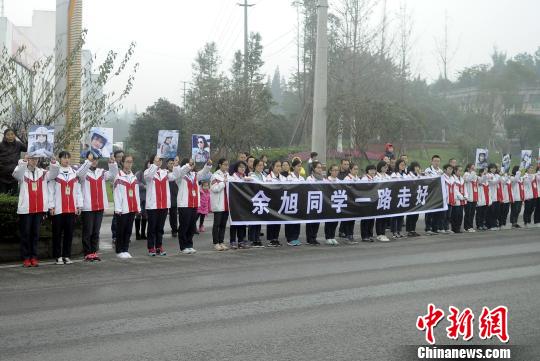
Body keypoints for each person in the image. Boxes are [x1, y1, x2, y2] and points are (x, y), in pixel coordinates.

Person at [12, 154, 59, 267]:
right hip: (26, 209)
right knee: (26, 234)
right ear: (28, 159)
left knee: (35, 234)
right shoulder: (22, 172)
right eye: (32, 159)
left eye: (36, 159)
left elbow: (53, 174)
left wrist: (53, 162)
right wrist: (23, 161)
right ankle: (26, 258)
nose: (34, 161)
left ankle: (34, 256)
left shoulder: (42, 172)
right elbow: (16, 174)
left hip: (39, 209)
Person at [77, 151, 118, 261]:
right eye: (92, 159)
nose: (94, 161)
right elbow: (79, 174)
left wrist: (112, 163)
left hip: (99, 206)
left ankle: (94, 252)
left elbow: (114, 175)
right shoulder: (84, 171)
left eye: (96, 159)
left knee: (96, 231)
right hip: (88, 207)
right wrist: (88, 162)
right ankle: (87, 252)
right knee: (88, 231)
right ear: (88, 160)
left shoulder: (102, 172)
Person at [48, 151, 83, 265]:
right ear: (60, 159)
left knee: (69, 233)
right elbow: (51, 191)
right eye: (64, 158)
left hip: (71, 209)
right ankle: (58, 256)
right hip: (58, 209)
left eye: (68, 158)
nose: (66, 160)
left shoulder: (74, 173)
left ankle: (66, 255)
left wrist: (78, 205)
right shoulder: (55, 172)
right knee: (57, 234)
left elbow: (78, 191)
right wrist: (51, 206)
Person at [174, 158, 212, 254]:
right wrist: (188, 165)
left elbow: (203, 172)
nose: (192, 165)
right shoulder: (180, 176)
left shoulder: (195, 175)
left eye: (192, 163)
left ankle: (189, 245)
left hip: (194, 203)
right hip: (184, 204)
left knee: (192, 226)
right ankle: (183, 246)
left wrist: (207, 164)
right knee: (184, 225)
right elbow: (181, 171)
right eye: (190, 163)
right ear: (185, 164)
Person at [144, 154, 177, 257]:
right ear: (152, 161)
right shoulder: (148, 171)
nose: (159, 162)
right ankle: (151, 247)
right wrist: (154, 165)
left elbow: (176, 176)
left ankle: (159, 246)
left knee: (160, 228)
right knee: (152, 227)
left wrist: (176, 165)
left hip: (163, 205)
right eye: (157, 160)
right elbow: (149, 177)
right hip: (153, 205)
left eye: (160, 160)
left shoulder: (165, 172)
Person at [113, 154, 140, 259]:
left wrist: (138, 207)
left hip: (132, 207)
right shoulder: (119, 176)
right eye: (127, 161)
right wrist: (118, 209)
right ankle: (119, 250)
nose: (129, 164)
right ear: (123, 163)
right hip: (122, 208)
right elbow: (116, 194)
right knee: (121, 230)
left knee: (128, 230)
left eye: (131, 162)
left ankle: (125, 249)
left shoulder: (133, 177)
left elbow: (136, 193)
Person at [210, 158, 230, 251]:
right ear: (220, 165)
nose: (226, 166)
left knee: (223, 224)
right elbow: (214, 189)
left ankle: (221, 242)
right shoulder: (215, 176)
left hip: (226, 203)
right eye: (225, 164)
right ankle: (216, 243)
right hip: (218, 203)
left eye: (227, 165)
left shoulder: (228, 175)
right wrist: (223, 183)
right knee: (217, 224)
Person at [284, 158, 304, 246]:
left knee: (297, 220)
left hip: (299, 202)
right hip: (290, 201)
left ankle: (295, 237)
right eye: (298, 166)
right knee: (290, 220)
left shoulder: (302, 178)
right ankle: (289, 238)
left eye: (300, 166)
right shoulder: (289, 177)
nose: (299, 168)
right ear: (293, 167)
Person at [0, 128, 27, 194]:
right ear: (5, 136)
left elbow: (27, 148)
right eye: (8, 135)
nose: (10, 136)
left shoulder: (18, 144)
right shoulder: (0, 145)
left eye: (12, 134)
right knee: (2, 197)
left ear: (14, 135)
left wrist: (24, 137)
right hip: (2, 176)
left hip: (14, 176)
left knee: (13, 196)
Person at [229, 161, 249, 249]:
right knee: (234, 223)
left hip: (244, 203)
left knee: (243, 223)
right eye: (240, 167)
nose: (242, 168)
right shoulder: (232, 177)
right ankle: (233, 241)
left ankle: (241, 240)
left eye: (244, 167)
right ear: (237, 168)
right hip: (234, 203)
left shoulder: (246, 177)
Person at [266, 160, 286, 247]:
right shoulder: (268, 178)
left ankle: (276, 238)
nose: (279, 168)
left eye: (280, 166)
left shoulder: (283, 178)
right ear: (272, 167)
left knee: (278, 221)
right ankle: (271, 239)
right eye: (277, 166)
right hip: (271, 202)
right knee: (271, 221)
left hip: (280, 202)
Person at [305, 161, 325, 245]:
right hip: (311, 201)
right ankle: (309, 238)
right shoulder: (309, 178)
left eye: (321, 167)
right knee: (310, 221)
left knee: (317, 221)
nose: (320, 169)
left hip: (319, 202)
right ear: (313, 169)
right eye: (318, 167)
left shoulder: (323, 179)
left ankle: (314, 237)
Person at [247, 158, 266, 247]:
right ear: (255, 166)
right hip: (253, 200)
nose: (261, 167)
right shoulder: (251, 176)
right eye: (259, 165)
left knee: (259, 220)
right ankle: (252, 238)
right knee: (253, 220)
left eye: (262, 165)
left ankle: (257, 238)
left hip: (262, 200)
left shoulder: (264, 176)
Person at [341, 163, 360, 244]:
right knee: (347, 220)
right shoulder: (347, 178)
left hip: (355, 202)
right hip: (348, 202)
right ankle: (347, 236)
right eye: (354, 169)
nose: (356, 171)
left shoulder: (358, 179)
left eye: (357, 169)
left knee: (352, 220)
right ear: (350, 170)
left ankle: (351, 235)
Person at [424, 155, 443, 235]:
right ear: (432, 161)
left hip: (438, 194)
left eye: (438, 161)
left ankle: (435, 228)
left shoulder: (441, 171)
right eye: (435, 161)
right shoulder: (428, 170)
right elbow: (427, 181)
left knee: (437, 212)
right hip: (430, 194)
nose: (436, 163)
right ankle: (428, 228)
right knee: (429, 212)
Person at [390, 159, 408, 238]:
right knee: (395, 215)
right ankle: (394, 232)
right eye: (401, 164)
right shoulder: (394, 174)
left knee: (401, 214)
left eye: (404, 165)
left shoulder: (405, 174)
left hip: (403, 196)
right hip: (395, 197)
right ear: (397, 165)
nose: (403, 166)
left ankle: (399, 230)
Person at [324, 164, 341, 246]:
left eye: (337, 170)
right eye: (334, 170)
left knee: (335, 221)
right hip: (328, 203)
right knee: (329, 221)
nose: (335, 172)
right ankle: (328, 237)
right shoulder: (326, 180)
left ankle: (332, 236)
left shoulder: (339, 181)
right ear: (330, 171)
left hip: (337, 203)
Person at [111, 150, 125, 242]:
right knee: (117, 214)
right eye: (118, 156)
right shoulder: (114, 167)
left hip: (125, 192)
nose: (120, 158)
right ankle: (115, 235)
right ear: (115, 158)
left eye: (122, 156)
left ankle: (122, 234)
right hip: (117, 192)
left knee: (124, 214)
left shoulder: (125, 167)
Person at [374, 161, 391, 242]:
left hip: (386, 197)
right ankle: (379, 234)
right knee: (379, 217)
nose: (386, 168)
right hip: (379, 198)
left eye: (387, 167)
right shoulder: (376, 176)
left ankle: (383, 233)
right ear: (380, 167)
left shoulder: (388, 176)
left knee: (385, 217)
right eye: (384, 167)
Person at [360, 164, 377, 241]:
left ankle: (370, 234)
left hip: (373, 201)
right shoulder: (364, 179)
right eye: (371, 170)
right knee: (365, 219)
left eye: (374, 170)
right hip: (366, 201)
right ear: (367, 171)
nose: (373, 171)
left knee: (372, 219)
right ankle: (364, 236)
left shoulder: (375, 178)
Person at [405, 162, 422, 237]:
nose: (417, 168)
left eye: (418, 166)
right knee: (411, 214)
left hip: (417, 196)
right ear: (412, 167)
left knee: (416, 215)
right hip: (410, 197)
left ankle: (413, 230)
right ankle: (409, 230)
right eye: (416, 167)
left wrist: (420, 175)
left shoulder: (419, 175)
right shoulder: (409, 175)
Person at [134, 161, 149, 240]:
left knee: (145, 215)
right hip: (140, 197)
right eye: (148, 163)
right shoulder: (140, 173)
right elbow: (136, 182)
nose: (149, 165)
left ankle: (143, 233)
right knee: (138, 214)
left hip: (147, 198)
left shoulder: (151, 174)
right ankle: (137, 233)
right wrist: (143, 186)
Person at [450, 165, 467, 233]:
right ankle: (454, 228)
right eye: (459, 170)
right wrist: (461, 196)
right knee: (455, 215)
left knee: (460, 215)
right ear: (455, 171)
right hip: (456, 199)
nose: (460, 172)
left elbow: (464, 188)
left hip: (462, 199)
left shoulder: (462, 178)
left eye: (461, 170)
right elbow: (455, 189)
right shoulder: (452, 178)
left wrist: (466, 195)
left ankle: (458, 227)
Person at [463, 164, 478, 233]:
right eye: (472, 168)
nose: (473, 169)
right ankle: (466, 227)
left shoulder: (474, 175)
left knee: (472, 213)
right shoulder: (466, 174)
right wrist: (473, 172)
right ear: (468, 168)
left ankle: (470, 226)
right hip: (468, 197)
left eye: (474, 168)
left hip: (474, 196)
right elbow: (468, 179)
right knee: (468, 213)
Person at [486, 163, 501, 231]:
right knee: (491, 211)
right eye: (492, 168)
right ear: (489, 169)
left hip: (497, 195)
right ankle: (490, 225)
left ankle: (495, 224)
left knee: (496, 211)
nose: (493, 169)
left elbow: (503, 181)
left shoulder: (497, 175)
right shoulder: (488, 175)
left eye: (494, 168)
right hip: (490, 195)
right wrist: (499, 179)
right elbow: (492, 183)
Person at [167, 158, 179, 237]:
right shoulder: (165, 172)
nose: (171, 165)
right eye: (170, 163)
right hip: (166, 196)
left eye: (172, 163)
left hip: (175, 196)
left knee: (173, 214)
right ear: (167, 164)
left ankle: (174, 230)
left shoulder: (177, 173)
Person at [441, 164, 455, 234]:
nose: (450, 170)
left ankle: (447, 227)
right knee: (443, 215)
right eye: (449, 169)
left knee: (449, 215)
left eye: (451, 169)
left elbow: (454, 189)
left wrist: (454, 198)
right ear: (445, 170)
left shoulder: (452, 178)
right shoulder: (442, 177)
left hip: (451, 198)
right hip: (444, 199)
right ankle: (441, 228)